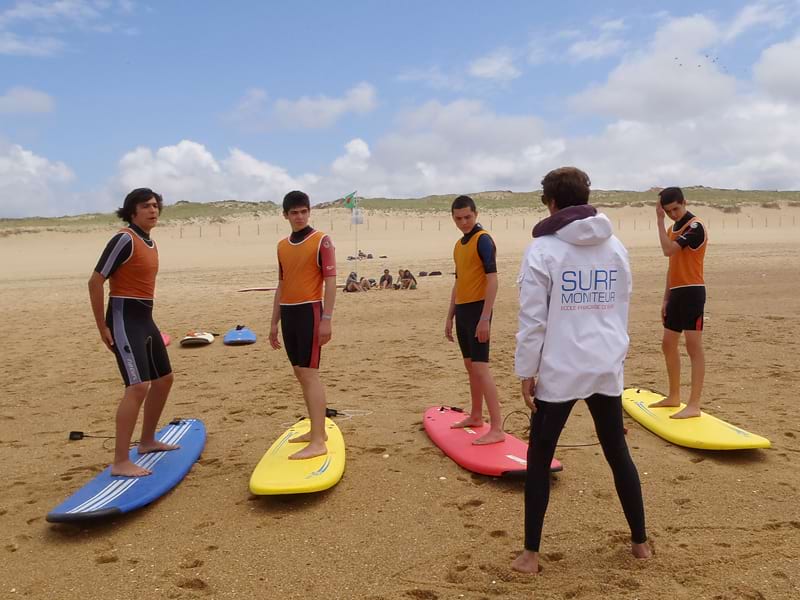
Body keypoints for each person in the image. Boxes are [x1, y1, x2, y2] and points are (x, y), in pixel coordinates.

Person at [512, 167, 650, 574]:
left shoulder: (543, 250)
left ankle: (531, 555)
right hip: (605, 362)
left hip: (562, 366)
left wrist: (526, 371)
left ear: (550, 202)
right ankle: (640, 543)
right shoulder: (616, 246)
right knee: (616, 451)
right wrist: (617, 356)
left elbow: (532, 319)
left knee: (539, 457)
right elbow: (621, 304)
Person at [87, 188, 178, 477]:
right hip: (123, 320)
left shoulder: (149, 242)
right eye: (145, 206)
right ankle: (120, 461)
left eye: (155, 205)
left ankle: (148, 441)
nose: (153, 210)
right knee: (138, 386)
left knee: (164, 379)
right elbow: (95, 281)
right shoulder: (124, 239)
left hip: (145, 319)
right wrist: (102, 326)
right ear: (132, 211)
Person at [269, 190, 337, 460]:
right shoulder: (282, 245)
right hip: (289, 313)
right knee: (300, 372)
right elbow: (282, 284)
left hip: (310, 311)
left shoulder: (322, 241)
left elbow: (331, 282)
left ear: (309, 212)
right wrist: (274, 322)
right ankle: (315, 429)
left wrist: (327, 319)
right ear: (285, 215)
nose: (299, 216)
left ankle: (319, 440)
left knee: (310, 374)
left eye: (303, 211)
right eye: (294, 212)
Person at [444, 195, 504, 445]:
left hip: (479, 310)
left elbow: (493, 280)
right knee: (470, 367)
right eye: (458, 218)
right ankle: (476, 416)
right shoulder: (459, 245)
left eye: (468, 217)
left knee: (481, 368)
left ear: (476, 214)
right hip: (463, 311)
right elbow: (459, 282)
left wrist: (485, 318)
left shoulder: (484, 240)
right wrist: (449, 316)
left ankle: (498, 428)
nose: (464, 222)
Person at [649, 187, 708, 419]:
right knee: (667, 343)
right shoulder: (672, 229)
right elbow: (671, 264)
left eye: (676, 208)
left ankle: (694, 404)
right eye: (668, 211)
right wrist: (666, 298)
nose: (673, 214)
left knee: (693, 346)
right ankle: (674, 395)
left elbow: (667, 250)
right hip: (676, 292)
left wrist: (658, 220)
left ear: (684, 202)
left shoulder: (695, 226)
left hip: (693, 291)